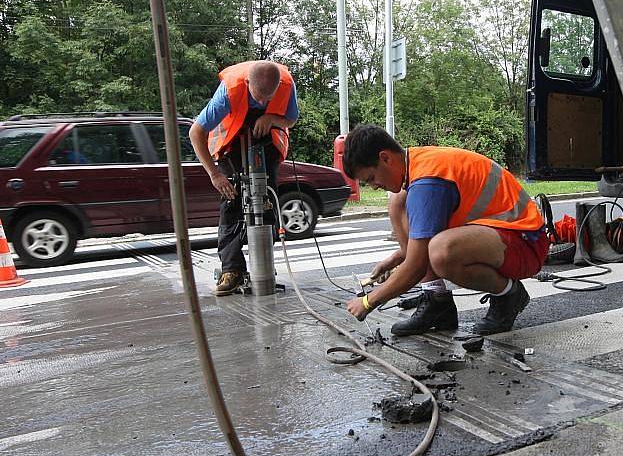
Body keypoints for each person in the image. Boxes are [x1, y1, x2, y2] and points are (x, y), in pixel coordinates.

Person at [342, 124, 548, 336]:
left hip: (526, 242)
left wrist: (368, 301)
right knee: (398, 201)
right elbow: (420, 243)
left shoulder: (428, 182)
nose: (374, 186)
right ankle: (436, 300)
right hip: (499, 237)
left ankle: (509, 294)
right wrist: (400, 256)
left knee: (442, 252)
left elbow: (417, 267)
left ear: (385, 158)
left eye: (370, 178)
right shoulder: (415, 163)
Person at [189, 60, 299, 296]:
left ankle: (264, 265)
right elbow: (195, 132)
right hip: (232, 145)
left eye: (268, 98)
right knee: (231, 204)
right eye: (258, 97)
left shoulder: (287, 84)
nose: (262, 103)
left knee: (266, 201)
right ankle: (232, 270)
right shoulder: (230, 90)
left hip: (266, 141)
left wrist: (272, 118)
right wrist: (215, 175)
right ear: (248, 83)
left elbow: (290, 119)